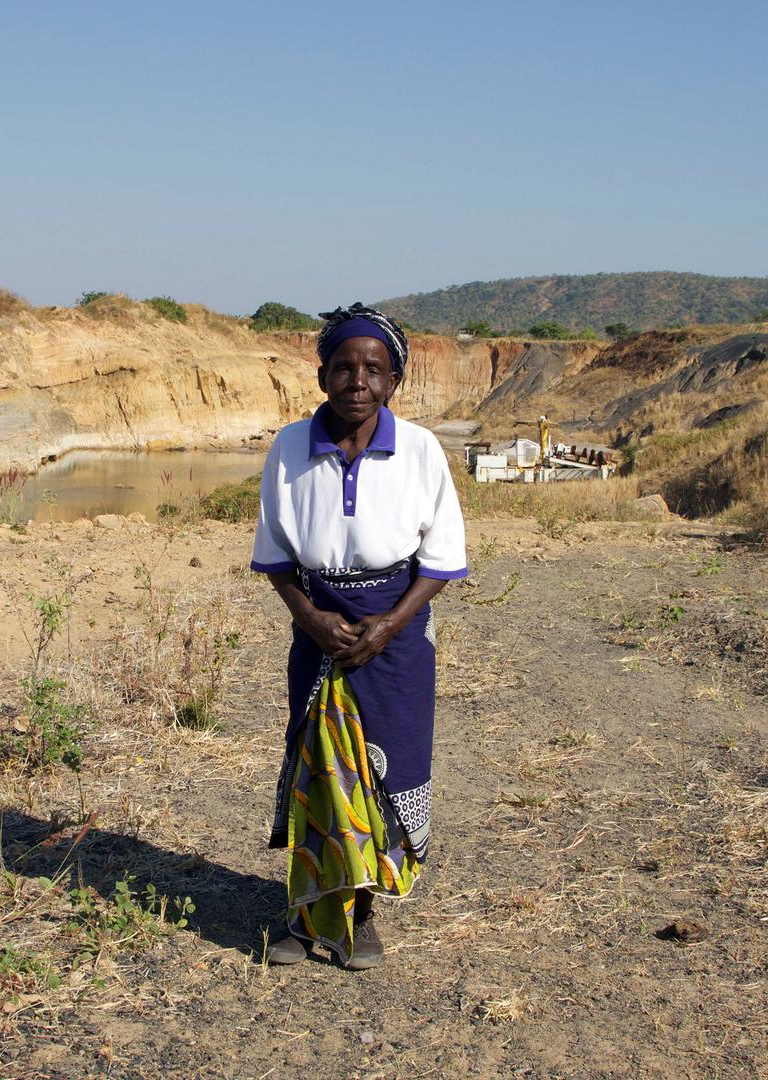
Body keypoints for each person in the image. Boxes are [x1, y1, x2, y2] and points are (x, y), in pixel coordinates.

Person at [249, 302, 467, 970]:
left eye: (375, 368)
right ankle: (306, 913)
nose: (358, 381)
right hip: (318, 631)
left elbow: (443, 556)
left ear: (395, 380)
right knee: (320, 774)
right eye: (343, 366)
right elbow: (277, 558)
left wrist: (390, 624)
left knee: (380, 778)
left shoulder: (420, 451)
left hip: (395, 639)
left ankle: (361, 916)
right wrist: (312, 621)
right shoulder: (289, 448)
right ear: (321, 376)